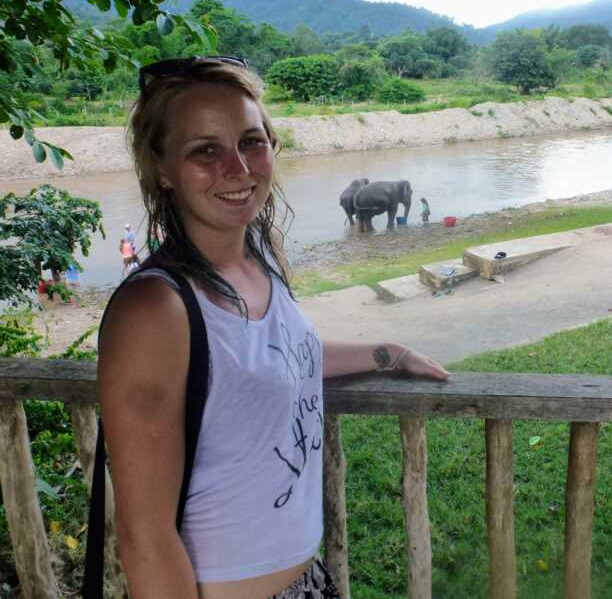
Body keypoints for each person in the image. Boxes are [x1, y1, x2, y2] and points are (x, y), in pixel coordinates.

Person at [97, 56, 449, 599]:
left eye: (252, 141)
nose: (238, 168)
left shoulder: (256, 262)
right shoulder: (153, 310)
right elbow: (144, 538)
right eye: (204, 150)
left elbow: (278, 358)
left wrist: (388, 353)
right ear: (162, 167)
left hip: (306, 582)